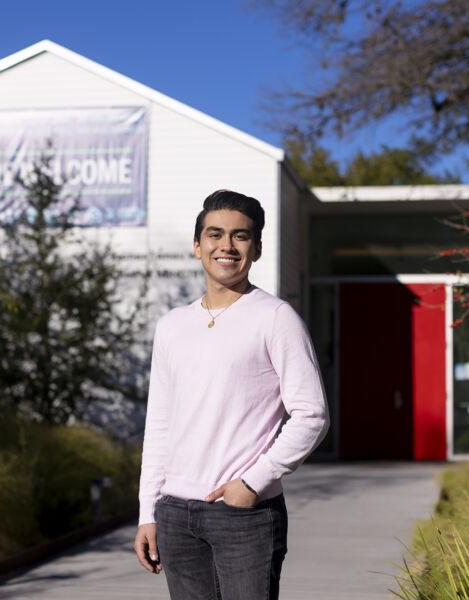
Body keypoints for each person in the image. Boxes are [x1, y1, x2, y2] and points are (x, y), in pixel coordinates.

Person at [133, 189, 330, 600]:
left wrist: (253, 483)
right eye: (215, 234)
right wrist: (148, 512)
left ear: (256, 249)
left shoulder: (275, 318)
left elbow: (311, 415)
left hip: (244, 515)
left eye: (240, 236)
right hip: (176, 515)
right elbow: (160, 424)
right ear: (197, 245)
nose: (226, 246)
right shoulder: (172, 325)